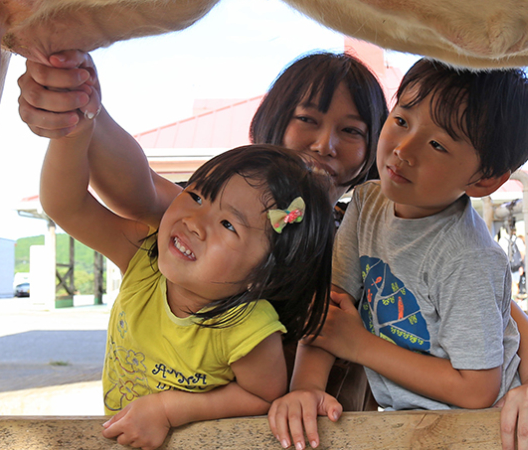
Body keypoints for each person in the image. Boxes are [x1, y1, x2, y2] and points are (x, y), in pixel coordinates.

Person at [18, 49, 528, 450]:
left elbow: (493, 305)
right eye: (307, 120)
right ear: (272, 122)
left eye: (352, 130)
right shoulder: (218, 221)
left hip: (328, 429)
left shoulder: (366, 223)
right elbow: (137, 192)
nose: (324, 143)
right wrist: (85, 108)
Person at [270, 59, 528, 447]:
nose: (403, 149)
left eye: (437, 144)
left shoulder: (467, 258)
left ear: (484, 180)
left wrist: (360, 345)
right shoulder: (368, 203)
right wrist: (305, 388)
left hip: (484, 429)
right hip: (410, 421)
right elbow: (331, 313)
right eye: (402, 120)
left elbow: (477, 389)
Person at [40, 117, 336, 449]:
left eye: (227, 224)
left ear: (266, 274)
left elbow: (263, 396)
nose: (195, 222)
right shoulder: (144, 259)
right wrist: (71, 132)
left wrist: (168, 410)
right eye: (196, 196)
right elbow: (65, 206)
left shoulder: (248, 327)